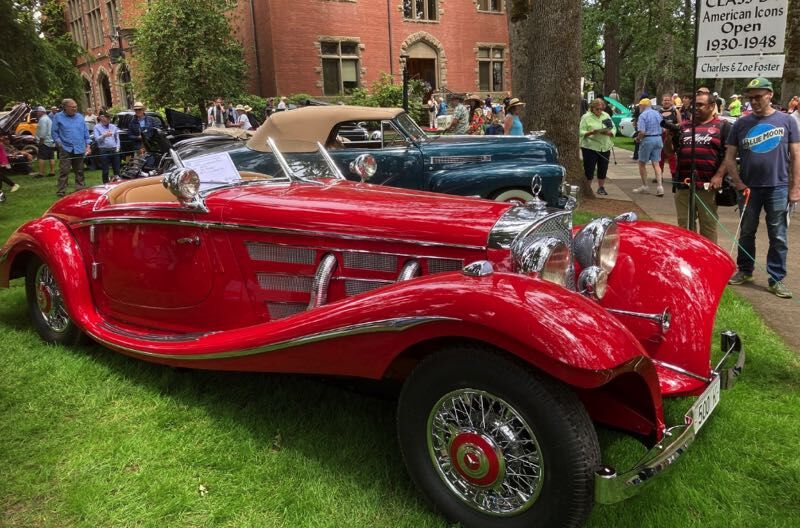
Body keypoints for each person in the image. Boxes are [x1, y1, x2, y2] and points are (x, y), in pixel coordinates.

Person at [724, 77, 800, 298]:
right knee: (746, 231)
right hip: (749, 188)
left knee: (778, 235)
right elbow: (730, 157)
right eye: (750, 98)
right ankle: (745, 270)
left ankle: (776, 279)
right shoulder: (740, 123)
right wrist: (738, 182)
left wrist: (795, 188)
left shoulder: (787, 121)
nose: (754, 101)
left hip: (778, 187)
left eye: (758, 96)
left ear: (770, 95)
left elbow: (796, 156)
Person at [663, 92, 730, 242]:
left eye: (700, 105)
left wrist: (719, 175)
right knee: (685, 226)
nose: (696, 108)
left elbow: (729, 155)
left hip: (707, 186)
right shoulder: (683, 127)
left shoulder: (722, 126)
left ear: (712, 106)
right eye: (695, 105)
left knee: (708, 226)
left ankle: (710, 261)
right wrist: (668, 137)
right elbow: (669, 152)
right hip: (683, 185)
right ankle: (689, 258)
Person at [51, 98, 90, 197]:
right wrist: (60, 144)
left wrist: (88, 145)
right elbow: (54, 132)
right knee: (64, 171)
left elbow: (86, 132)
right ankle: (61, 191)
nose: (75, 108)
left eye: (75, 106)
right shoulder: (58, 117)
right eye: (72, 107)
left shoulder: (80, 117)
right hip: (66, 148)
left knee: (80, 170)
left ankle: (80, 188)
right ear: (65, 107)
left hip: (79, 147)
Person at [579, 98, 616, 195]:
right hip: (590, 147)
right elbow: (580, 131)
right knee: (589, 168)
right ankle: (588, 189)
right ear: (592, 108)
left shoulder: (606, 115)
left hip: (605, 146)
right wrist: (591, 132)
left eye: (601, 109)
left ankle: (601, 187)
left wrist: (610, 133)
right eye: (597, 109)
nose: (599, 111)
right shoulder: (586, 117)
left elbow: (613, 128)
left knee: (603, 167)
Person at [633, 98, 664, 195]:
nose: (639, 108)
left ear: (643, 106)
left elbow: (642, 131)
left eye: (640, 106)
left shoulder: (643, 115)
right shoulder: (658, 113)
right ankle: (660, 187)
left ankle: (645, 186)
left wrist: (638, 138)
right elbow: (663, 128)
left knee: (642, 163)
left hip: (648, 139)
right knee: (656, 163)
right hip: (658, 138)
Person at [128, 101, 160, 168]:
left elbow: (157, 131)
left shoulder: (151, 120)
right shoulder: (132, 122)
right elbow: (129, 135)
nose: (138, 111)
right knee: (137, 167)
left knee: (151, 166)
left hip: (150, 147)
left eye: (139, 109)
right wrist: (138, 137)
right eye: (136, 110)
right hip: (138, 148)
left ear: (143, 110)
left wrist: (149, 137)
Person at [93, 111, 120, 183]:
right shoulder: (96, 127)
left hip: (114, 149)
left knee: (117, 169)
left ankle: (117, 184)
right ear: (101, 118)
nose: (108, 119)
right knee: (105, 170)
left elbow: (117, 138)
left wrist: (118, 147)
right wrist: (104, 135)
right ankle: (105, 184)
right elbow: (97, 139)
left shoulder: (113, 126)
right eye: (107, 117)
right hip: (104, 150)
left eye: (109, 117)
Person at [659, 94, 680, 184]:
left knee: (672, 156)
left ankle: (674, 175)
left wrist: (672, 127)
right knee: (660, 156)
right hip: (661, 136)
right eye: (665, 100)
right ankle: (659, 175)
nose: (666, 102)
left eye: (668, 100)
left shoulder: (675, 111)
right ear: (662, 101)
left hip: (672, 136)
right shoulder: (658, 112)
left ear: (671, 101)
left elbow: (680, 123)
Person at [33, 106, 56, 178]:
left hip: (44, 141)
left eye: (37, 111)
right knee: (51, 157)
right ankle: (52, 171)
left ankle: (41, 173)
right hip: (50, 141)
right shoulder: (48, 119)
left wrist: (41, 141)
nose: (36, 113)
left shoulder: (42, 120)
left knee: (41, 157)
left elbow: (43, 131)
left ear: (41, 112)